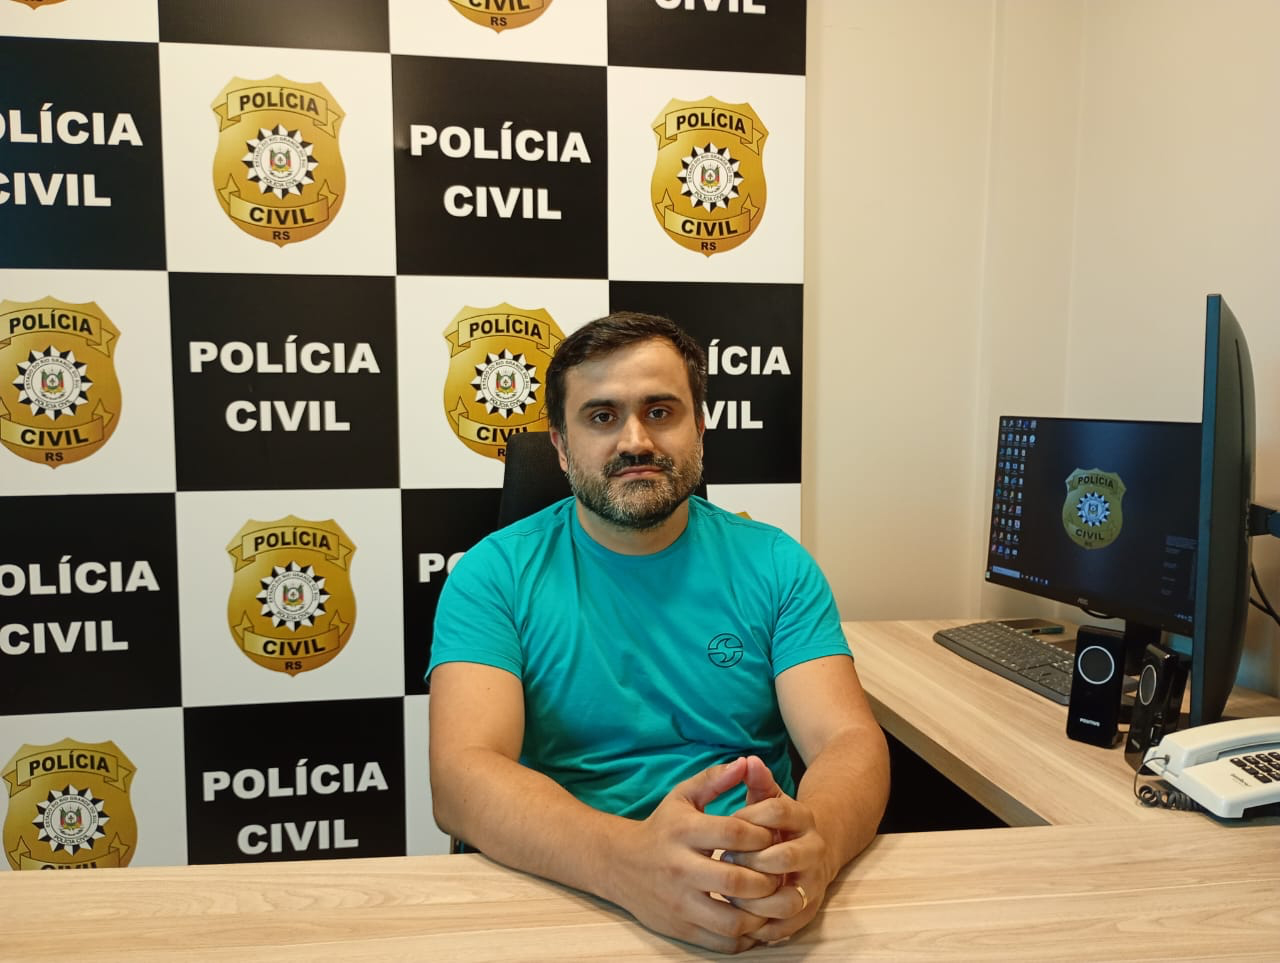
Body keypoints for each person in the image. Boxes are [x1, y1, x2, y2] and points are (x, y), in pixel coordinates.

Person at [428, 311, 890, 954]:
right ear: (560, 445)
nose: (635, 440)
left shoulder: (777, 565)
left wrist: (819, 847)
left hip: (756, 890)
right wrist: (628, 863)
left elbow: (848, 739)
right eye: (601, 416)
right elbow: (461, 775)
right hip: (570, 885)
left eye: (661, 411)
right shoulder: (494, 575)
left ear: (699, 427)